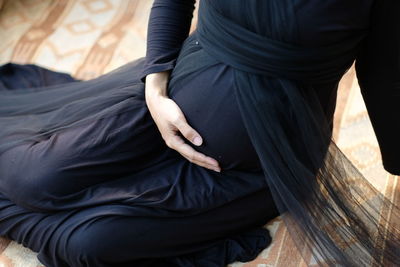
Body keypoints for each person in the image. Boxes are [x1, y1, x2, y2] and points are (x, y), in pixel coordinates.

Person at [0, 0, 399, 266]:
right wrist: (155, 89)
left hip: (259, 162)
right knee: (30, 179)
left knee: (86, 247)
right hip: (162, 103)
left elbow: (386, 74)